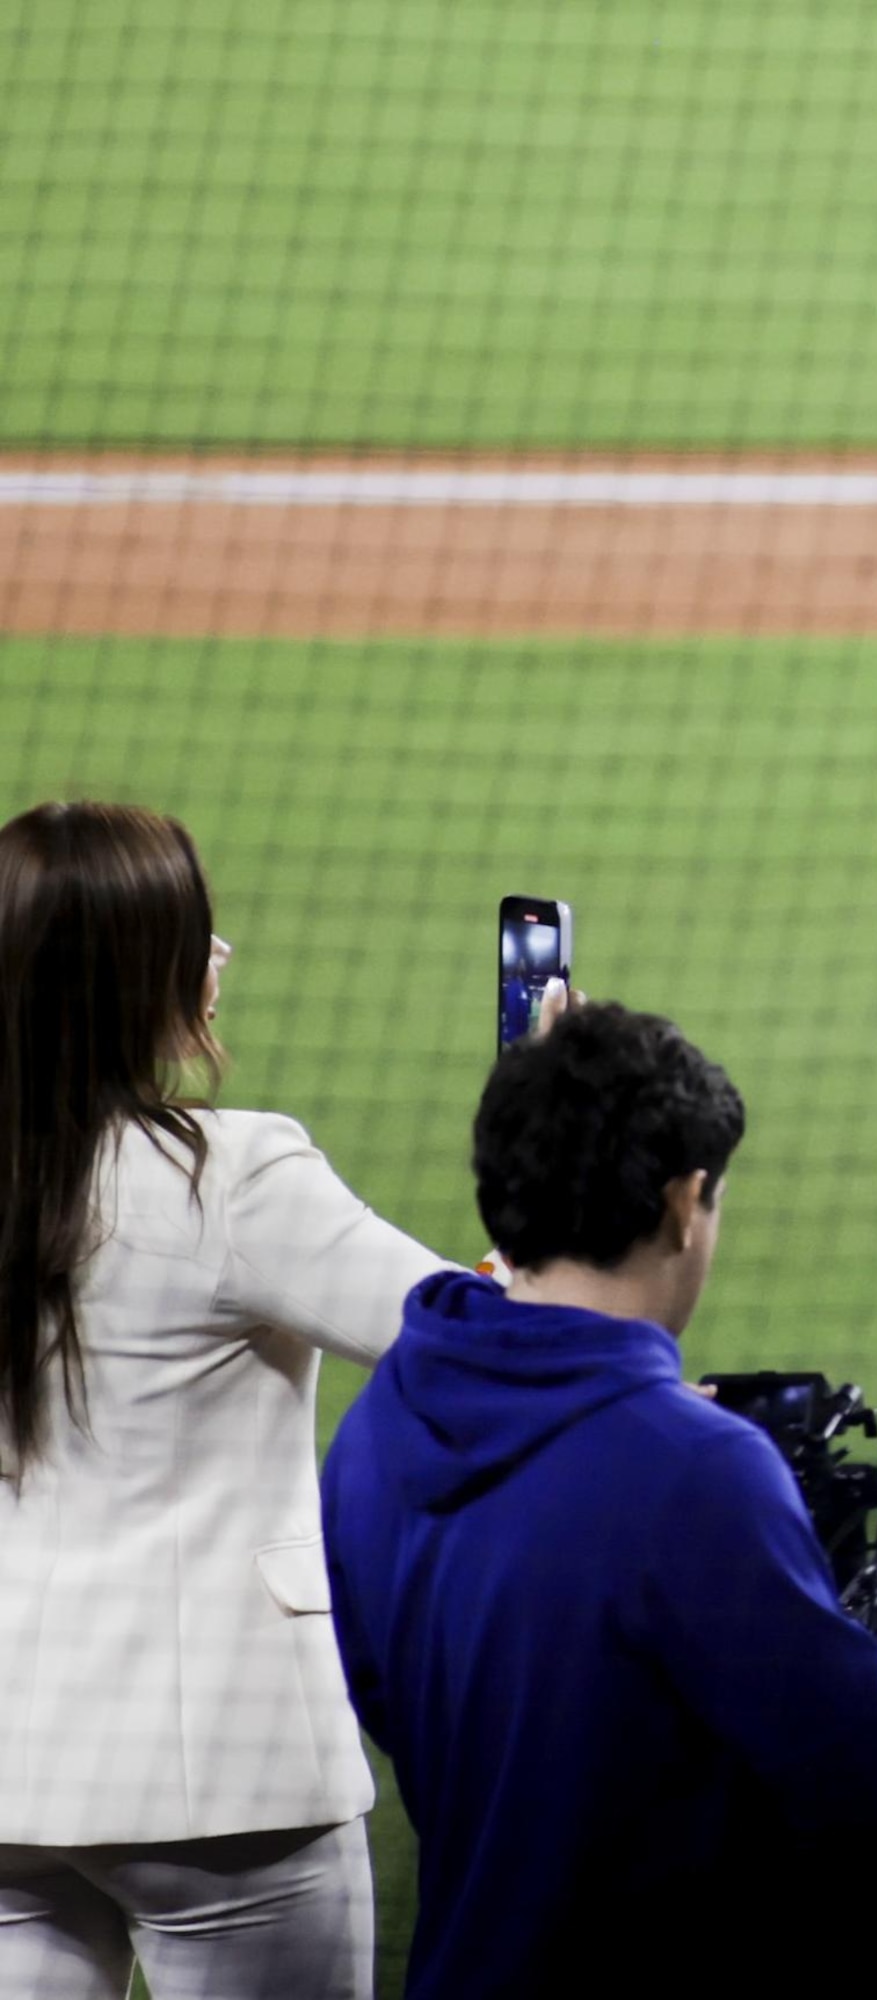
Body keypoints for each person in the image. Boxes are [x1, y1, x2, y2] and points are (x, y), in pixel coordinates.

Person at [319, 1000, 877, 1999]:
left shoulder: (379, 1423)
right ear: (682, 1201)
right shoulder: (695, 1470)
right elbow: (861, 1786)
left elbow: (395, 1700)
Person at [0, 800, 450, 2000]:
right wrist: (546, 1118)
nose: (222, 955)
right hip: (227, 1779)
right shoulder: (232, 1178)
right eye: (198, 933)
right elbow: (476, 1342)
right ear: (139, 977)